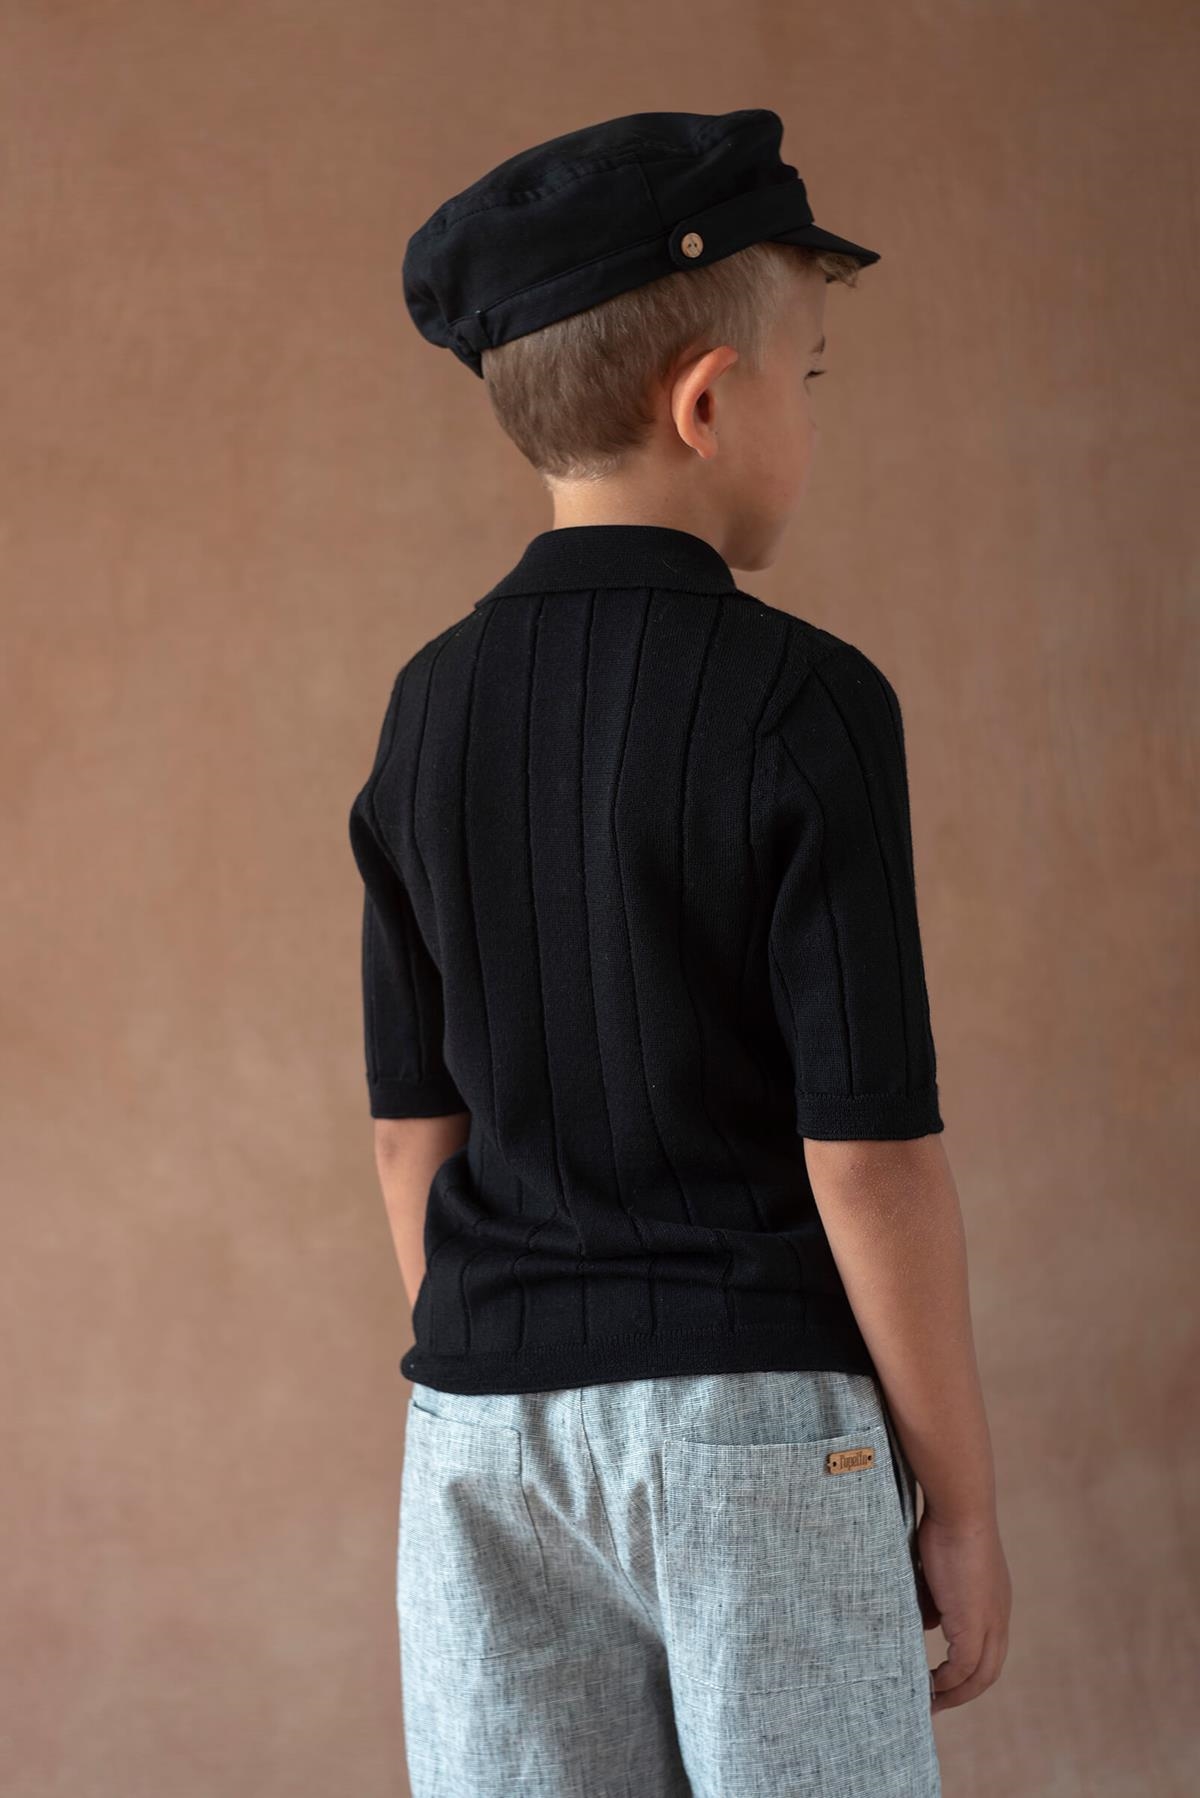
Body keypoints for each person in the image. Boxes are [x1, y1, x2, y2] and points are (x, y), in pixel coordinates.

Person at [348, 107, 1011, 1798]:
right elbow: (868, 1154)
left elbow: (411, 1133)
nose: (813, 419)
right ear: (708, 401)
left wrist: (517, 1360)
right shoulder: (808, 702)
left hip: (482, 1431)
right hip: (757, 1425)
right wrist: (959, 1500)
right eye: (812, 377)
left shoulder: (428, 707)